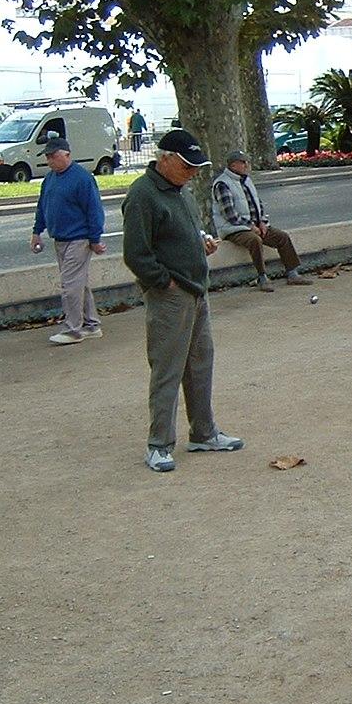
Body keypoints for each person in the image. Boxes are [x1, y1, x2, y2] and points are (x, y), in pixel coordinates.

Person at [121, 128, 244, 474]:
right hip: (171, 296)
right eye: (187, 166)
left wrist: (202, 241)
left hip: (196, 289)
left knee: (200, 364)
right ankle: (158, 445)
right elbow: (136, 254)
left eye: (196, 167)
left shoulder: (182, 191)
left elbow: (183, 232)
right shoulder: (143, 195)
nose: (192, 173)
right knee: (167, 370)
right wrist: (165, 283)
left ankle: (203, 432)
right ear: (166, 160)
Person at [30, 136, 106, 345]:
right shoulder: (50, 179)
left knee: (70, 284)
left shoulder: (82, 178)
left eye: (53, 156)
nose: (50, 161)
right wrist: (37, 231)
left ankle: (73, 329)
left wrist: (95, 238)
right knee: (79, 283)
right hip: (61, 238)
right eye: (48, 157)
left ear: (67, 155)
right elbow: (42, 206)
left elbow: (94, 210)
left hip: (78, 238)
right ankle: (91, 324)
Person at [211, 151, 313, 292]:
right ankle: (262, 277)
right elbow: (230, 215)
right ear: (233, 165)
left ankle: (292, 272)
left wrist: (262, 222)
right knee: (254, 240)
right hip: (233, 228)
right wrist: (250, 226)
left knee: (282, 237)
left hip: (255, 225)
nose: (247, 165)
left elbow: (258, 203)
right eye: (243, 162)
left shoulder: (246, 180)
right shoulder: (223, 184)